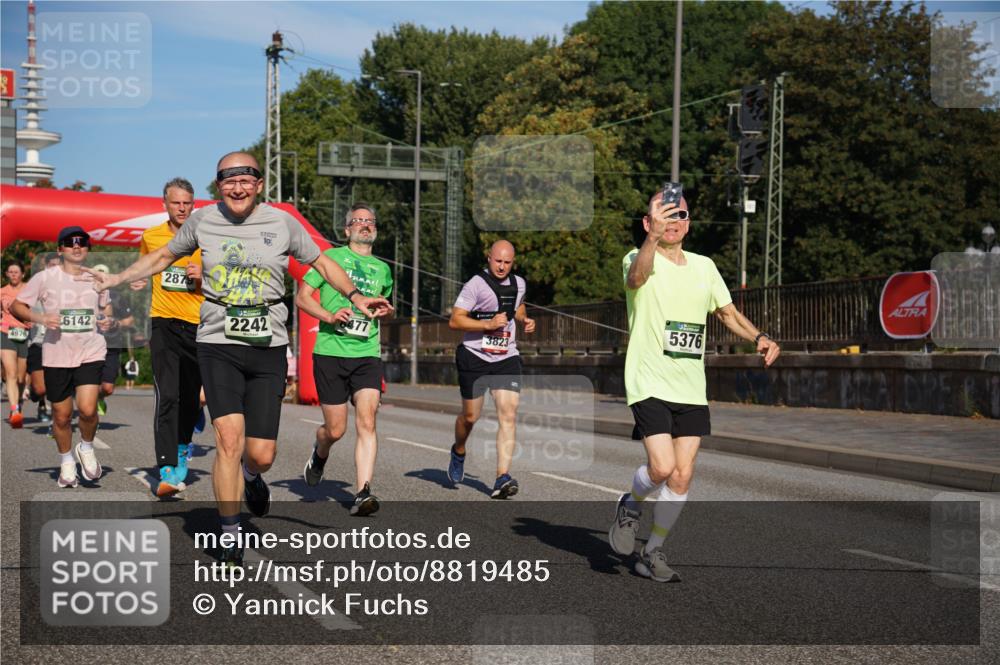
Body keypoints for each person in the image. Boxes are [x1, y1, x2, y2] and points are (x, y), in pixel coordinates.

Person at [85, 152, 392, 566]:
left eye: (245, 180)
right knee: (228, 439)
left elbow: (321, 262)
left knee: (261, 454)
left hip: (268, 344)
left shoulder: (282, 223)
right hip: (218, 341)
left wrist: (355, 297)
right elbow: (163, 256)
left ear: (259, 185)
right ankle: (229, 531)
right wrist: (118, 277)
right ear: (218, 186)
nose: (237, 187)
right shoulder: (202, 221)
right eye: (228, 180)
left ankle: (251, 476)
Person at [608, 192, 781, 582]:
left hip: (690, 387)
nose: (673, 221)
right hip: (649, 380)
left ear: (689, 223)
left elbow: (727, 312)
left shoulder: (705, 266)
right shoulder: (636, 258)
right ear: (648, 222)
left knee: (682, 476)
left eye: (680, 214)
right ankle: (630, 504)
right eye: (664, 214)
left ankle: (652, 552)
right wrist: (652, 239)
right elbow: (636, 279)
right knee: (662, 466)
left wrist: (759, 338)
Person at [298, 203, 393, 516]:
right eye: (358, 220)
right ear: (347, 229)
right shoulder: (330, 259)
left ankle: (363, 492)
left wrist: (385, 311)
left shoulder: (383, 269)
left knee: (367, 420)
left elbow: (382, 308)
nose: (365, 225)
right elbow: (302, 297)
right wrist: (328, 315)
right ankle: (320, 451)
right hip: (330, 352)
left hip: (366, 353)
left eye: (370, 221)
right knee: (335, 430)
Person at [11, 227, 111, 488]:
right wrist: (41, 317)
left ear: (88, 248)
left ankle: (86, 447)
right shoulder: (45, 277)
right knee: (61, 415)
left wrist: (107, 319)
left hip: (90, 350)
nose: (76, 246)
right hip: (57, 353)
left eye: (82, 242)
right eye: (69, 243)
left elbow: (106, 308)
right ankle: (66, 461)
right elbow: (16, 306)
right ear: (60, 249)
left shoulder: (97, 277)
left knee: (88, 410)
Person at [447, 240, 535, 499]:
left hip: (506, 356)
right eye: (498, 261)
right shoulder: (475, 284)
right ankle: (459, 450)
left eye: (507, 262)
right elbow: (455, 320)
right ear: (488, 257)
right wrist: (487, 325)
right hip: (474, 356)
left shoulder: (519, 283)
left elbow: (518, 305)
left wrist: (524, 319)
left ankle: (501, 477)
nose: (502, 267)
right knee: (470, 417)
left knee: (508, 413)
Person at [137, 177, 205, 497]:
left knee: (190, 398)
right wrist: (139, 279)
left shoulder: (206, 238)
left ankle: (182, 446)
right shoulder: (151, 237)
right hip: (163, 322)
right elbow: (145, 266)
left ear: (194, 205)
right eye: (176, 202)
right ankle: (166, 467)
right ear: (164, 203)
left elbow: (224, 280)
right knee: (167, 395)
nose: (181, 208)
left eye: (187, 203)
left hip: (199, 324)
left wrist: (202, 277)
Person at [90, 264, 135, 418]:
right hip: (89, 345)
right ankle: (89, 412)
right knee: (89, 384)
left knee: (108, 388)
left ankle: (99, 398)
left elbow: (130, 320)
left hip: (111, 345)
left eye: (103, 276)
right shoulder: (84, 295)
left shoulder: (117, 297)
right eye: (97, 275)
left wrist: (116, 323)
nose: (100, 279)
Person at [25, 253, 61, 425]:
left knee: (56, 384)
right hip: (38, 342)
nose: (55, 269)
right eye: (52, 265)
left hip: (59, 342)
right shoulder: (36, 284)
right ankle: (38, 396)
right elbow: (20, 307)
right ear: (46, 266)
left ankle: (57, 417)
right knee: (40, 389)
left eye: (58, 265)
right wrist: (27, 317)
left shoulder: (68, 288)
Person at [2, 260, 31, 427]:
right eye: (10, 272)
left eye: (16, 272)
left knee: (21, 378)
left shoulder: (30, 290)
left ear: (22, 274)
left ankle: (18, 403)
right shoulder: (2, 292)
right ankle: (14, 411)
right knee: (10, 373)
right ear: (7, 274)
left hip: (24, 334)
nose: (13, 275)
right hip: (5, 333)